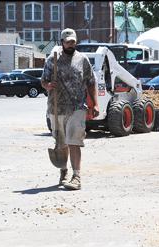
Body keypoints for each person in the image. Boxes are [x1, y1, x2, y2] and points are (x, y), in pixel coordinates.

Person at [41, 28, 99, 191]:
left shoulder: (82, 59)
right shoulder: (52, 60)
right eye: (68, 42)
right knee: (61, 142)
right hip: (56, 107)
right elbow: (43, 81)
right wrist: (48, 85)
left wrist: (95, 103)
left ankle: (77, 176)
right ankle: (64, 171)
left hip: (76, 107)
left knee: (74, 141)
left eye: (73, 41)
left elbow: (91, 82)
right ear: (62, 42)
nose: (71, 44)